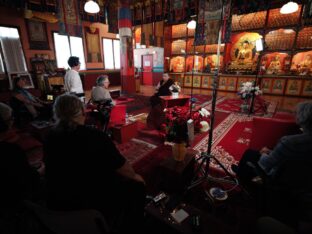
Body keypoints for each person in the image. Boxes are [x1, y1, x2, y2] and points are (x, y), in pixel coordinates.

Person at [44, 94, 146, 233]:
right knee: (137, 186)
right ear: (81, 111)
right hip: (90, 202)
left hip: (58, 199)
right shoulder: (96, 136)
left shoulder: (50, 136)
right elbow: (123, 168)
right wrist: (136, 177)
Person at [232, 101, 312, 181]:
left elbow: (266, 163)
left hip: (279, 178)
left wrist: (263, 154)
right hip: (303, 180)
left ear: (301, 118)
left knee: (249, 153)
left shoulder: (288, 142)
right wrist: (271, 152)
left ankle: (241, 179)